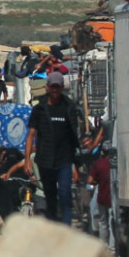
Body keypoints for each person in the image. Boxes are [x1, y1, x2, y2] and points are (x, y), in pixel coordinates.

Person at [24, 72, 80, 225]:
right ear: (47, 87)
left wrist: (75, 165)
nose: (55, 89)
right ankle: (53, 229)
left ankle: (66, 231)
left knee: (65, 194)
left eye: (58, 86)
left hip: (64, 159)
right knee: (50, 198)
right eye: (52, 86)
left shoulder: (68, 107)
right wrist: (27, 160)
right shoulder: (40, 109)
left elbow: (73, 137)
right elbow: (31, 135)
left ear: (61, 88)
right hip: (45, 159)